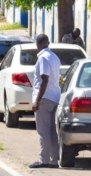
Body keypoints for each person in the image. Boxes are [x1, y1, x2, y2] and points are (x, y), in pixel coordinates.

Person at [31, 34, 63, 169]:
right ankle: (53, 160)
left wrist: (37, 101)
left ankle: (44, 159)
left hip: (44, 98)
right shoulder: (55, 57)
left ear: (38, 44)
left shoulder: (43, 58)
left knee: (43, 131)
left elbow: (44, 79)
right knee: (52, 132)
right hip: (55, 97)